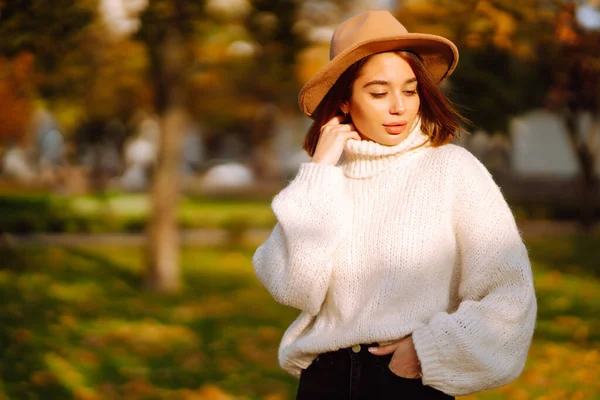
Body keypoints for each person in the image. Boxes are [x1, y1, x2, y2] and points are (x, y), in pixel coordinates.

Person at [252, 10, 537, 400]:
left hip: (405, 380)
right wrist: (318, 169)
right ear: (345, 102)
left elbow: (509, 292)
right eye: (378, 92)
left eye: (409, 89)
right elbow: (295, 289)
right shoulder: (322, 184)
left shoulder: (452, 169)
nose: (399, 107)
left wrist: (426, 351)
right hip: (324, 381)